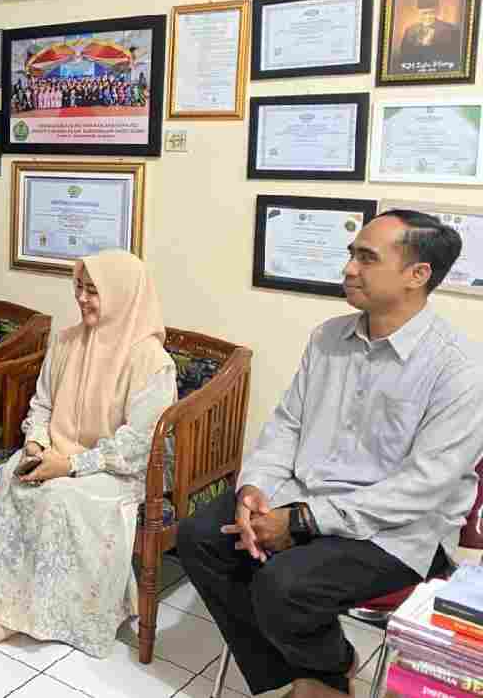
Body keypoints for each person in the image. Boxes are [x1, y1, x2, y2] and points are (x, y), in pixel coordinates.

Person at [178, 210, 483, 698]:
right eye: (351, 254)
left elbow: (422, 488)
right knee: (199, 536)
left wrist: (300, 521)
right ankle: (307, 672)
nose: (348, 269)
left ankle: (326, 672)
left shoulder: (461, 368)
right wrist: (255, 489)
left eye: (367, 258)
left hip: (397, 530)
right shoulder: (327, 337)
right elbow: (287, 425)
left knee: (284, 586)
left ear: (417, 274)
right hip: (303, 494)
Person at [0, 251, 176, 655]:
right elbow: (42, 403)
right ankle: (7, 611)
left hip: (119, 469)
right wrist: (35, 444)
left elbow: (138, 443)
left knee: (60, 495)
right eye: (79, 287)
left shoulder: (151, 361)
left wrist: (72, 465)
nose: (81, 298)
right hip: (58, 452)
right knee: (12, 475)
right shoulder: (66, 341)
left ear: (121, 294)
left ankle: (53, 616)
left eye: (93, 291)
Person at [395, 0, 463, 72]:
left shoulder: (452, 30)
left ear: (437, 12)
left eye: (431, 13)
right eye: (424, 13)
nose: (427, 17)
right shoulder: (410, 31)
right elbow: (403, 59)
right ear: (418, 13)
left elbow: (454, 60)